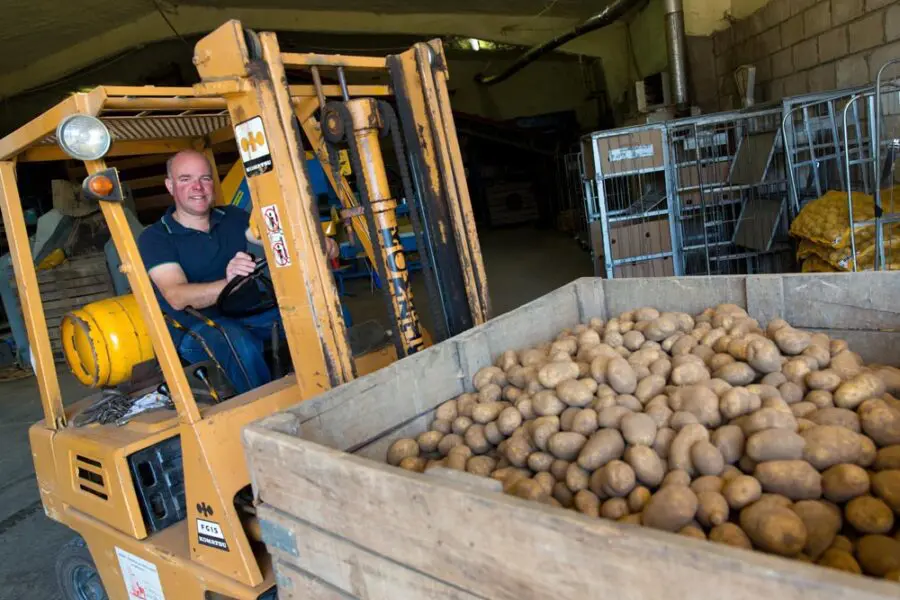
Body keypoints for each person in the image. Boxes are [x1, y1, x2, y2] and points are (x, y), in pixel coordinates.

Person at [137, 149, 338, 394]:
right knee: (237, 342)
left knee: (323, 311)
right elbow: (177, 296)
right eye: (186, 179)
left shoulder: (233, 217)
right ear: (170, 186)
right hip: (196, 329)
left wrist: (315, 244)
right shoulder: (156, 237)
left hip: (249, 313)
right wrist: (229, 282)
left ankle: (334, 386)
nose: (198, 187)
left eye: (205, 178)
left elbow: (274, 240)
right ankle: (270, 410)